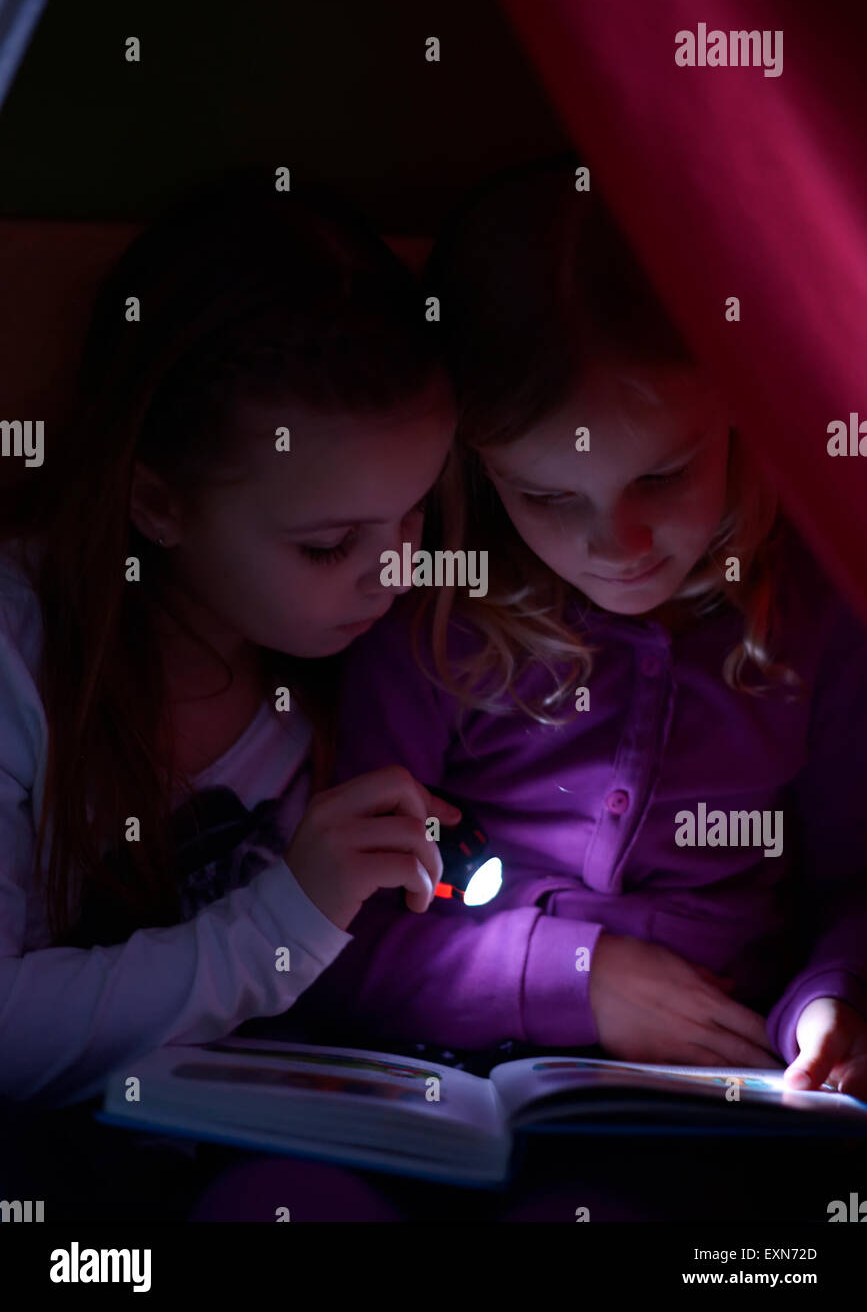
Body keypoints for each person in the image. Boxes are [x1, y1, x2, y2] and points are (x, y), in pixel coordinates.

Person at [295, 155, 867, 1102]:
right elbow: (325, 940)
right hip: (450, 1081)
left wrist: (830, 1002)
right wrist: (568, 978)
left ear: (737, 408)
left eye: (662, 475)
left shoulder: (809, 615)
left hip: (722, 1095)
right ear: (477, 471)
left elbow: (851, 884)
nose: (621, 546)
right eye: (549, 496)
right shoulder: (430, 623)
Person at [0, 167, 458, 1121]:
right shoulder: (21, 656)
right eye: (329, 545)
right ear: (158, 502)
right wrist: (283, 923)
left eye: (415, 519)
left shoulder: (369, 668)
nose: (396, 574)